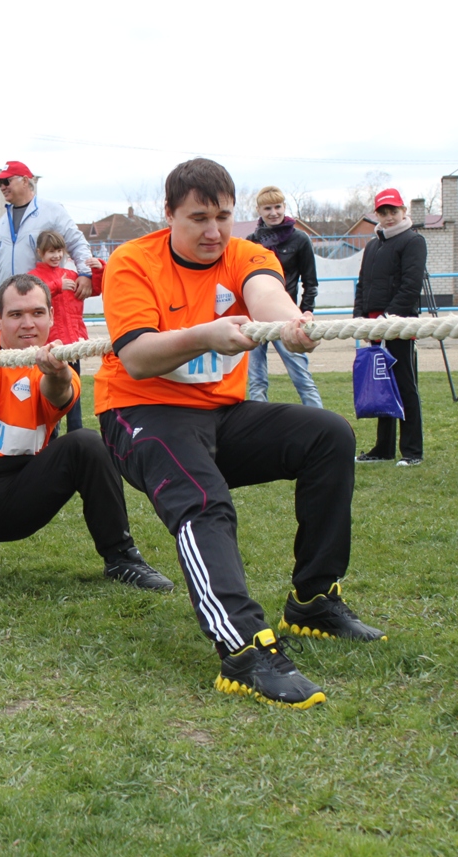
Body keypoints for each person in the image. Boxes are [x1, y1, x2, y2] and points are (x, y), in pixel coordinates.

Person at [95, 158, 385, 710]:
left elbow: (265, 292)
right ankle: (244, 648)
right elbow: (135, 357)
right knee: (202, 499)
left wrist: (289, 325)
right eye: (198, 218)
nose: (213, 232)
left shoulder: (248, 252)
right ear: (169, 215)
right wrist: (205, 334)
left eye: (224, 217)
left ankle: (314, 600)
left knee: (329, 435)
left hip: (220, 414)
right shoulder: (133, 261)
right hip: (140, 412)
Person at [0, 272, 173, 597]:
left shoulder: (56, 362)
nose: (28, 323)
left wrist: (56, 374)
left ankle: (121, 557)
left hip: (23, 494)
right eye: (16, 314)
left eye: (37, 313)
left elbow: (58, 394)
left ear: (51, 317)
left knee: (87, 443)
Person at [352, 188, 426, 466]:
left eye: (393, 211)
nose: (389, 217)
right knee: (381, 386)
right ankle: (383, 448)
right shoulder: (372, 245)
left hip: (399, 325)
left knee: (405, 385)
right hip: (373, 326)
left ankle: (412, 451)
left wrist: (390, 316)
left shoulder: (413, 241)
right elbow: (363, 284)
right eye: (383, 212)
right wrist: (359, 317)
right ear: (377, 215)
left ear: (403, 211)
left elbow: (411, 285)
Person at [0, 161, 98, 319]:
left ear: (24, 180)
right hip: (10, 305)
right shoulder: (1, 224)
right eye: (0, 184)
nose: (2, 187)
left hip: (41, 303)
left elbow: (77, 243)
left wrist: (86, 273)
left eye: (6, 181)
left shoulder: (52, 211)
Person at [245, 187, 322, 408]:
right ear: (258, 210)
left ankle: (320, 424)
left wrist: (304, 313)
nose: (273, 212)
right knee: (257, 382)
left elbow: (310, 282)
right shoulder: (251, 242)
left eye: (277, 207)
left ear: (284, 207)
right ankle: (259, 432)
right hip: (255, 319)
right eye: (267, 208)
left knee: (302, 379)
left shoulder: (300, 239)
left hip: (286, 319)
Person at [28, 229, 100, 432]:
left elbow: (95, 288)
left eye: (59, 251)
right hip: (49, 347)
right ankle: (50, 435)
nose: (56, 256)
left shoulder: (71, 275)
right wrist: (57, 286)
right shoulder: (34, 278)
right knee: (51, 397)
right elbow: (34, 296)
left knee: (74, 395)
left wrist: (98, 270)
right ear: (40, 253)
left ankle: (75, 435)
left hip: (72, 345)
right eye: (51, 252)